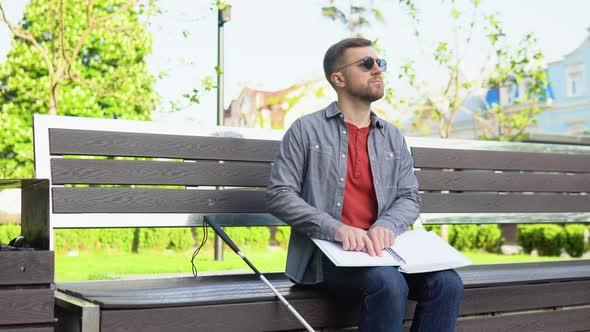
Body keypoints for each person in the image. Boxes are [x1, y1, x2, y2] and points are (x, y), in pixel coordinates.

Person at [267, 38, 463, 331]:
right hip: (329, 254)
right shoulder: (305, 130)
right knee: (388, 284)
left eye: (380, 63)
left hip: (387, 252)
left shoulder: (392, 136)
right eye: (366, 64)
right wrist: (337, 228)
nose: (378, 70)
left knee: (448, 282)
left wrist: (386, 225)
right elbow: (280, 195)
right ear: (339, 78)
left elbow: (409, 197)